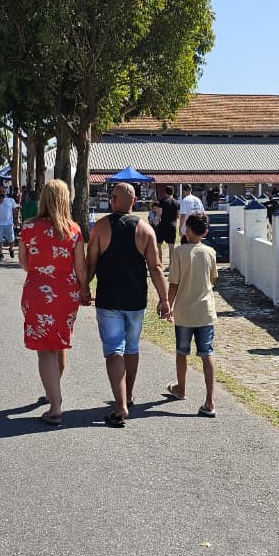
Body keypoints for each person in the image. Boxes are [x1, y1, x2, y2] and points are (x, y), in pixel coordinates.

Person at [86, 182, 171, 428]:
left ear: (113, 200)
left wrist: (83, 288)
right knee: (131, 348)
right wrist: (164, 299)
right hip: (136, 300)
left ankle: (120, 404)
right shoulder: (145, 230)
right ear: (134, 201)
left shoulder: (101, 226)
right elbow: (156, 268)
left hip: (109, 298)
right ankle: (129, 395)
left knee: (114, 350)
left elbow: (91, 263)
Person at [19, 179, 92, 425]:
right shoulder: (74, 229)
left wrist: (41, 273)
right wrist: (84, 289)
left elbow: (24, 262)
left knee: (45, 349)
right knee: (59, 342)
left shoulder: (28, 228)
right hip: (66, 293)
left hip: (38, 290)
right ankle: (54, 391)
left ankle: (56, 406)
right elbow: (80, 268)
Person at [166, 213, 219, 417]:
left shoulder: (179, 252)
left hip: (184, 312)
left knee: (182, 352)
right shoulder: (210, 252)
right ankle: (210, 400)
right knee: (207, 353)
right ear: (205, 232)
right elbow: (213, 278)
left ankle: (181, 387)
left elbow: (174, 284)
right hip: (205, 311)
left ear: (187, 230)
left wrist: (168, 305)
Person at [154, 185, 179, 268]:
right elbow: (178, 216)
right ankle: (171, 264)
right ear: (173, 192)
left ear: (165, 192)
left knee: (158, 244)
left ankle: (160, 263)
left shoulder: (162, 202)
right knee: (171, 246)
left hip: (162, 225)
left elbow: (159, 214)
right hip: (172, 225)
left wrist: (157, 222)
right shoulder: (176, 202)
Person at [0, 185, 18, 260]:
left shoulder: (10, 200)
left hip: (9, 223)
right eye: (0, 191)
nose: (1, 192)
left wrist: (16, 220)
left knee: (11, 238)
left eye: (3, 190)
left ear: (5, 191)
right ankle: (0, 254)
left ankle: (11, 249)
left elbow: (15, 210)